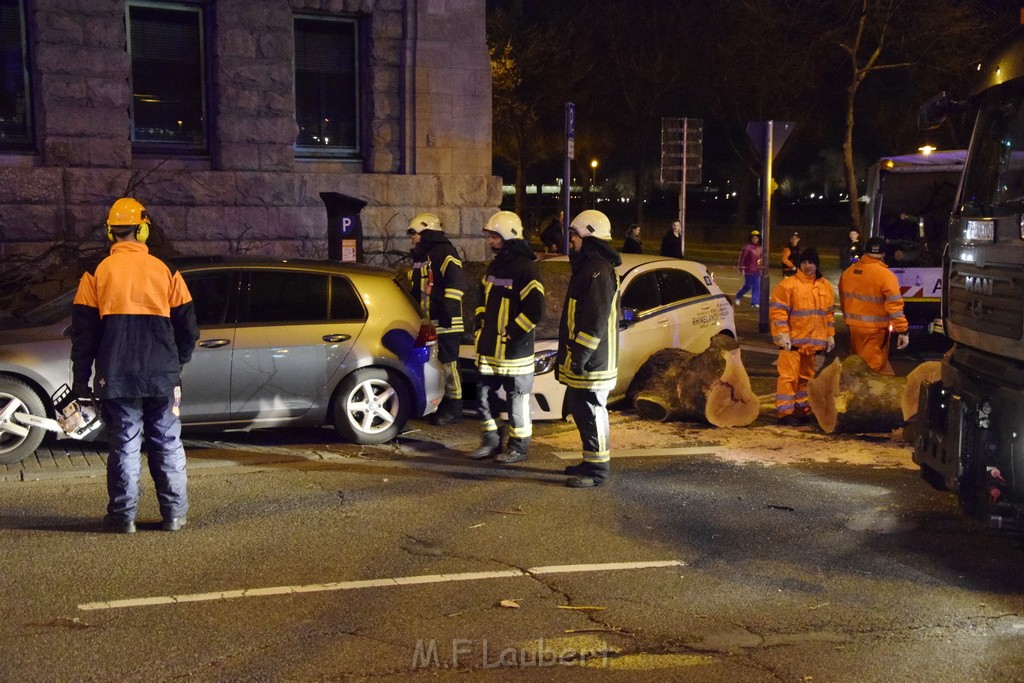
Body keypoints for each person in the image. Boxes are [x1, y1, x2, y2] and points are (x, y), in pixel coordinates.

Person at [70, 198, 199, 534]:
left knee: (125, 445)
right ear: (143, 230)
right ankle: (174, 515)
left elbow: (84, 336)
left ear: (111, 233)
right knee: (167, 443)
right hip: (162, 376)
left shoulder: (96, 274)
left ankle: (122, 517)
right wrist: (178, 362)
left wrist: (81, 380)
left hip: (116, 374)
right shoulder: (167, 272)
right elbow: (189, 330)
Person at [468, 211, 545, 463]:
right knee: (483, 395)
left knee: (517, 400)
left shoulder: (526, 268)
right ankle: (490, 441)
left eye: (494, 236)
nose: (490, 241)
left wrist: (512, 331)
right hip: (490, 347)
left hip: (514, 352)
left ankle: (518, 447)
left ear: (507, 237)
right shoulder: (495, 265)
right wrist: (480, 322)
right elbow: (482, 298)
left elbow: (535, 309)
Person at [557, 210, 622, 488]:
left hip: (594, 361)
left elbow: (594, 320)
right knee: (582, 411)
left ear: (588, 236)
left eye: (574, 235)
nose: (571, 240)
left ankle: (597, 471)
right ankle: (591, 460)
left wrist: (580, 356)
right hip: (588, 359)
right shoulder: (591, 267)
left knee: (593, 412)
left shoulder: (598, 270)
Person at [407, 213, 467, 426]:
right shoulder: (422, 257)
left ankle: (455, 407)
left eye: (414, 234)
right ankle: (440, 403)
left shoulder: (444, 253)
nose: (412, 238)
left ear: (425, 233)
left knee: (449, 365)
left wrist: (448, 313)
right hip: (430, 322)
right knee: (435, 365)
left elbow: (457, 284)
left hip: (447, 322)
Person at [769, 247, 835, 425]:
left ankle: (801, 409)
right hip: (792, 343)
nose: (808, 266)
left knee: (806, 379)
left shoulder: (825, 286)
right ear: (799, 264)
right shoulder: (788, 285)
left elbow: (828, 315)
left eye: (811, 262)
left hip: (811, 345)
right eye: (805, 262)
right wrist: (782, 334)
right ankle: (785, 412)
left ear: (816, 265)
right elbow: (778, 313)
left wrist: (830, 335)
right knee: (788, 378)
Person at [838, 236, 909, 374]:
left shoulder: (848, 273)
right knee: (872, 371)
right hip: (875, 331)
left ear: (865, 252)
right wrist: (902, 330)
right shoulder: (886, 276)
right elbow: (894, 307)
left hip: (854, 329)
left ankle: (855, 394)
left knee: (856, 367)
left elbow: (843, 301)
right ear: (883, 254)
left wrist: (849, 321)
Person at [734, 229, 762, 307]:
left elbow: (761, 259)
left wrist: (760, 267)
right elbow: (742, 258)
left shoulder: (760, 248)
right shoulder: (747, 247)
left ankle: (755, 302)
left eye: (756, 238)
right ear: (751, 238)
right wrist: (740, 268)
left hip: (757, 270)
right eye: (753, 238)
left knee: (756, 286)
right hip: (749, 270)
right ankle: (738, 296)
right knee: (748, 285)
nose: (755, 239)